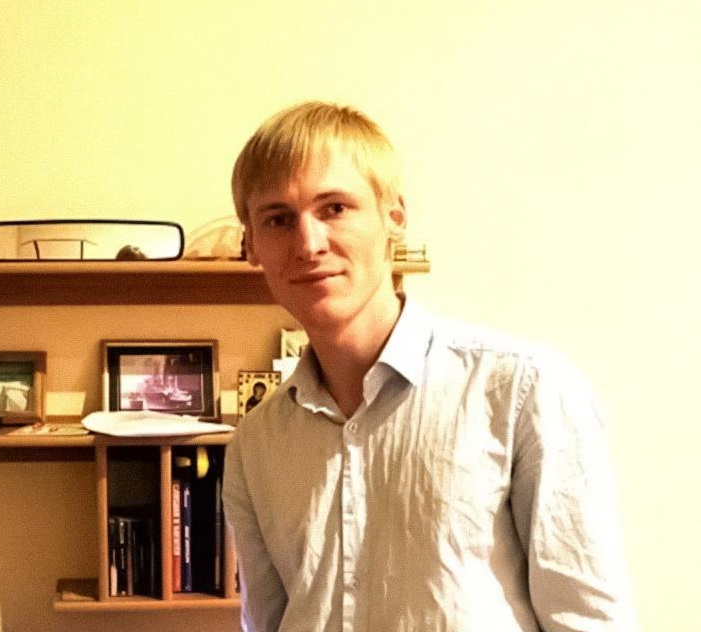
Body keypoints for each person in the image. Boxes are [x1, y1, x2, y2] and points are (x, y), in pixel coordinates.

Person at [221, 101, 636, 632]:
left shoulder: (522, 389)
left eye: (335, 208)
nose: (308, 243)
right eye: (278, 219)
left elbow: (587, 619)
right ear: (252, 246)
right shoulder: (255, 444)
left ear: (394, 218)